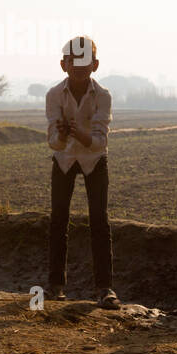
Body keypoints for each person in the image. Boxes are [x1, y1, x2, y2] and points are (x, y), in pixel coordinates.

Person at [45, 36, 119, 309]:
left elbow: (100, 141)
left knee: (99, 221)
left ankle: (104, 288)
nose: (79, 65)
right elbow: (53, 141)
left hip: (94, 159)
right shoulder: (54, 95)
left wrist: (80, 134)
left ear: (95, 64)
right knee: (58, 221)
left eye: (84, 59)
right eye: (73, 60)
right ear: (64, 64)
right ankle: (55, 286)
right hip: (63, 158)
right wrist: (63, 135)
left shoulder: (103, 96)